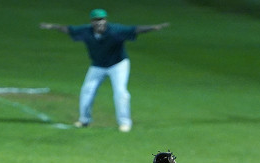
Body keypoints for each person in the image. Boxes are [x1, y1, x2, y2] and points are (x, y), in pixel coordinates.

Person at [39, 9, 169, 131]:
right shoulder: (86, 31)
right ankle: (84, 120)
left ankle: (124, 123)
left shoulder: (115, 30)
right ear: (92, 22)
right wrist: (51, 26)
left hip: (118, 64)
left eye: (102, 19)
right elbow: (68, 29)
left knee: (121, 92)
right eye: (96, 20)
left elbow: (135, 30)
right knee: (87, 91)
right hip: (98, 65)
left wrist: (154, 27)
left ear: (105, 20)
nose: (99, 22)